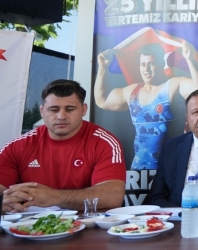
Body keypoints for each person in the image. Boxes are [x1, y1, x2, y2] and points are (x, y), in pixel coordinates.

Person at [0, 80, 125, 212]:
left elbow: (113, 196)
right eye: (53, 110)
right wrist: (4, 202)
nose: (61, 116)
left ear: (84, 110)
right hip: (29, 223)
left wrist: (54, 197)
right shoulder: (17, 147)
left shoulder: (104, 142)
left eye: (70, 109)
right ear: (42, 111)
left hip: (86, 223)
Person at [94, 41, 198, 169]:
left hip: (170, 169)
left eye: (151, 64)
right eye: (143, 64)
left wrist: (189, 59)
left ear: (161, 64)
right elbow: (102, 100)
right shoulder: (132, 92)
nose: (146, 69)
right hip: (139, 171)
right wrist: (102, 68)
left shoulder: (172, 86)